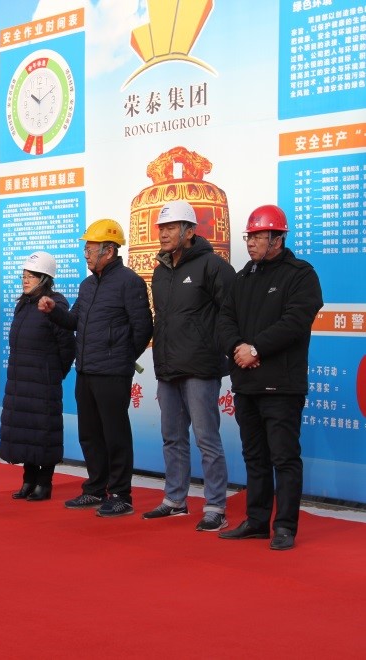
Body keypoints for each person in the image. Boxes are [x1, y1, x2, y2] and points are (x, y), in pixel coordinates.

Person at [216, 204, 322, 551]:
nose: (250, 243)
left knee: (284, 458)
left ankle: (285, 526)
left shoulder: (300, 275)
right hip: (247, 383)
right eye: (248, 237)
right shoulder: (243, 276)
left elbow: (295, 321)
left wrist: (256, 348)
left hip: (282, 385)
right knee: (255, 456)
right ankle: (257, 521)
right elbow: (225, 319)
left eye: (258, 237)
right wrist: (237, 348)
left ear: (277, 238)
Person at [38, 219, 153, 517]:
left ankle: (121, 495)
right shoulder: (87, 285)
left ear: (109, 251)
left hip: (113, 373)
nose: (85, 255)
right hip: (86, 370)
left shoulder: (129, 282)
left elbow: (143, 328)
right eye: (85, 249)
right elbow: (74, 320)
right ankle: (95, 489)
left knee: (115, 434)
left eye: (90, 249)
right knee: (89, 434)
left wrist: (123, 358)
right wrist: (54, 311)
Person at [143, 200, 236, 532]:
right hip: (168, 365)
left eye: (171, 228)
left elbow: (232, 312)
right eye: (161, 228)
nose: (163, 234)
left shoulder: (213, 266)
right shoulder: (160, 271)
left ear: (189, 231)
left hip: (200, 366)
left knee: (206, 439)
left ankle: (215, 506)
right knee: (172, 437)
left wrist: (225, 349)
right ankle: (175, 500)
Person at [0, 251, 76, 501]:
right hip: (20, 381)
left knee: (44, 432)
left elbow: (67, 346)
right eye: (23, 276)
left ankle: (45, 483)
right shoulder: (23, 304)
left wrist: (53, 373)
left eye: (30, 276)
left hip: (43, 381)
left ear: (44, 278)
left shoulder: (55, 305)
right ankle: (28, 480)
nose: (25, 280)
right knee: (25, 431)